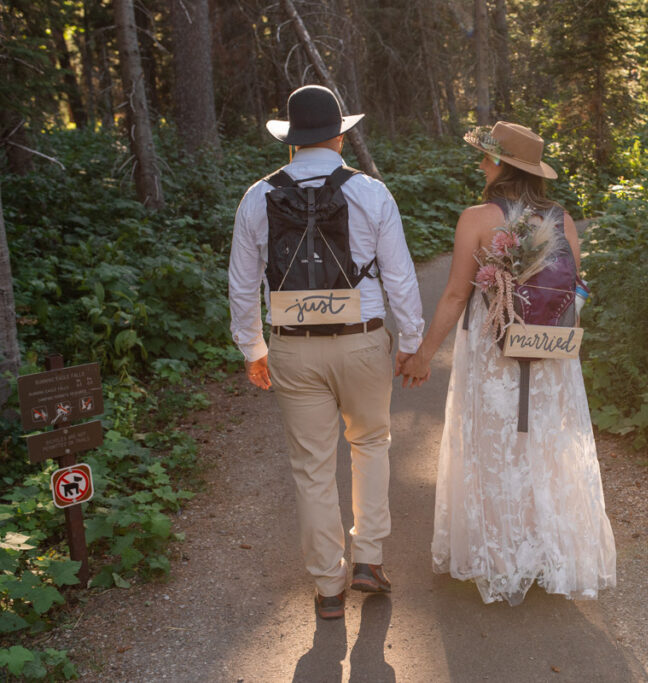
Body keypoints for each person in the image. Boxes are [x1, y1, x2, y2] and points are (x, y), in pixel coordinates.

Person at [399, 121, 616, 605]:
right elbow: (574, 293)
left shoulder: (477, 217)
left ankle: (499, 554)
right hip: (547, 351)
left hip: (493, 349)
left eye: (486, 158)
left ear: (501, 166)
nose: (481, 165)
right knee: (544, 444)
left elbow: (456, 294)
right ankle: (546, 552)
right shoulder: (562, 218)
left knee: (493, 442)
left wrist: (424, 355)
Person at [229, 85, 424, 619]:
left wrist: (253, 348)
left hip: (293, 346)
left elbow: (243, 285)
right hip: (361, 340)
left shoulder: (256, 197)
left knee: (312, 467)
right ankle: (369, 560)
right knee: (372, 445)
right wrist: (410, 344)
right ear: (340, 133)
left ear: (292, 140)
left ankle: (328, 586)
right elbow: (400, 276)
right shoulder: (371, 193)